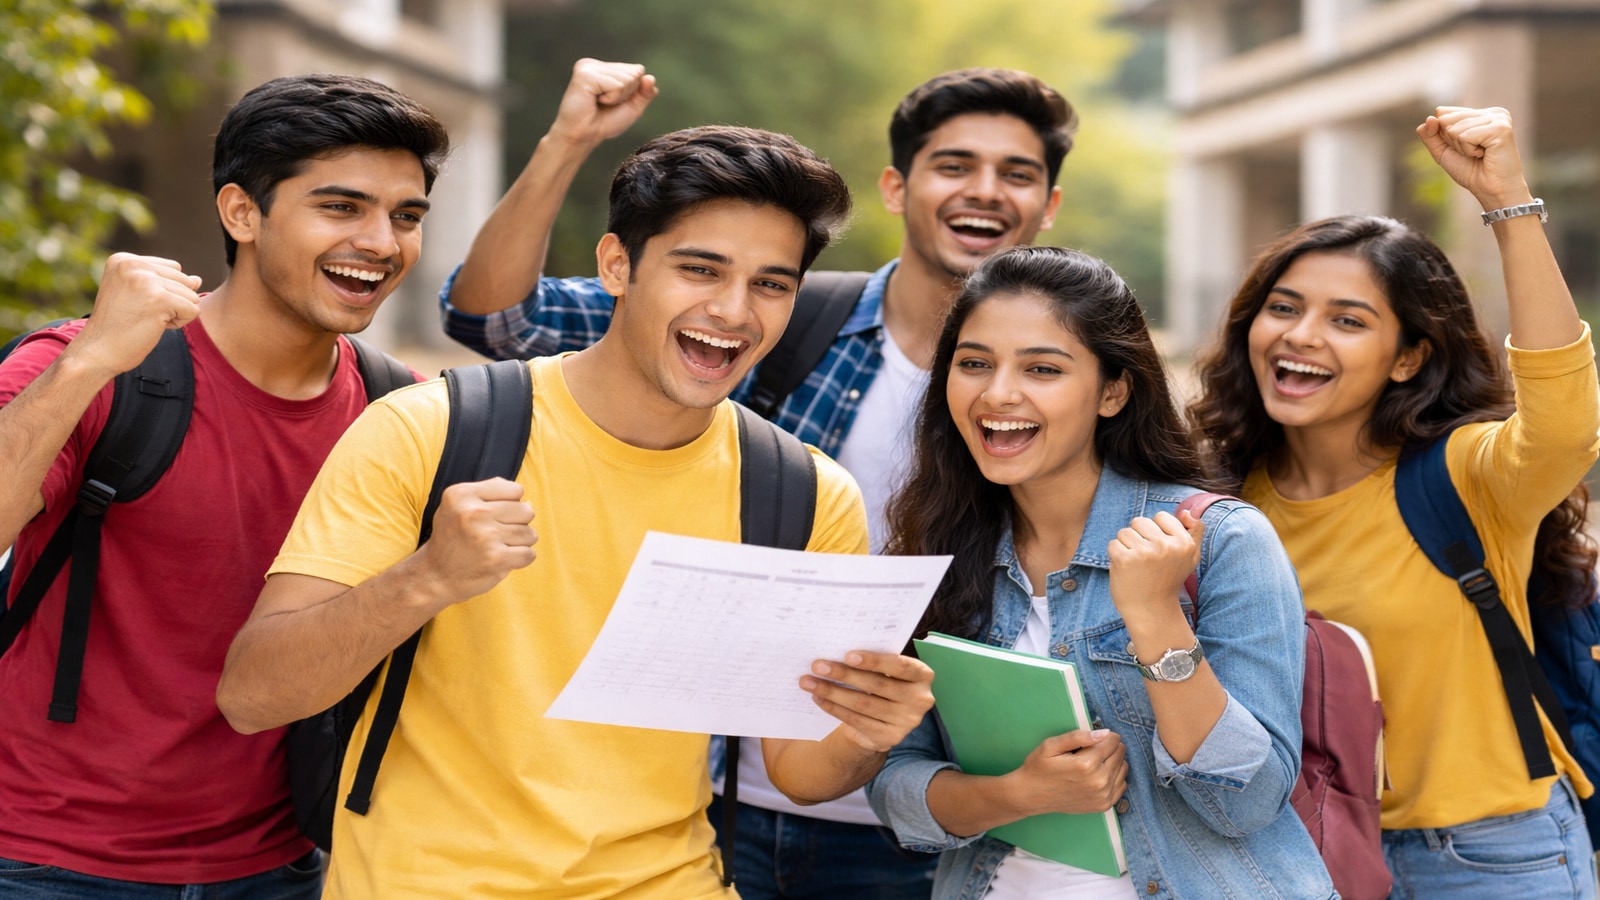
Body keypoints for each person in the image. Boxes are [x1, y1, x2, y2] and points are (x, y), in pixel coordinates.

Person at [215, 123, 938, 899]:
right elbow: (254, 697)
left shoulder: (804, 493)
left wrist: (869, 729)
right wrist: (426, 578)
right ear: (616, 265)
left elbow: (798, 772)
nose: (733, 311)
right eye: (700, 269)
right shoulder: (431, 428)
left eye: (771, 283)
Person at [437, 56, 1075, 898]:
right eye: (954, 165)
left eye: (1016, 174)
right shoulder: (779, 313)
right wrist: (570, 140)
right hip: (720, 796)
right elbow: (494, 319)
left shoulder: (1059, 381)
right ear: (896, 186)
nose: (984, 191)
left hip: (925, 806)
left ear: (1049, 205)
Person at [0, 75, 448, 896]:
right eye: (341, 207)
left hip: (283, 865)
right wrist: (93, 360)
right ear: (242, 213)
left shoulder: (407, 413)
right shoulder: (88, 368)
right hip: (45, 860)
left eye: (406, 215)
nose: (382, 242)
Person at [1188, 106, 1598, 897]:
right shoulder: (1227, 508)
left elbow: (1565, 427)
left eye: (1348, 321)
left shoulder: (1466, 475)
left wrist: (1508, 205)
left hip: (1491, 858)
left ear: (1409, 357)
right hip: (1308, 856)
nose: (1301, 336)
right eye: (1284, 308)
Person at [868, 245, 1335, 898]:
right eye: (974, 363)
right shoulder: (938, 546)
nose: (998, 393)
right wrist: (1012, 795)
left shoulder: (1221, 540)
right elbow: (895, 786)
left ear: (1113, 390)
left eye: (1042, 368)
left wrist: (1155, 617)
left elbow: (1245, 804)